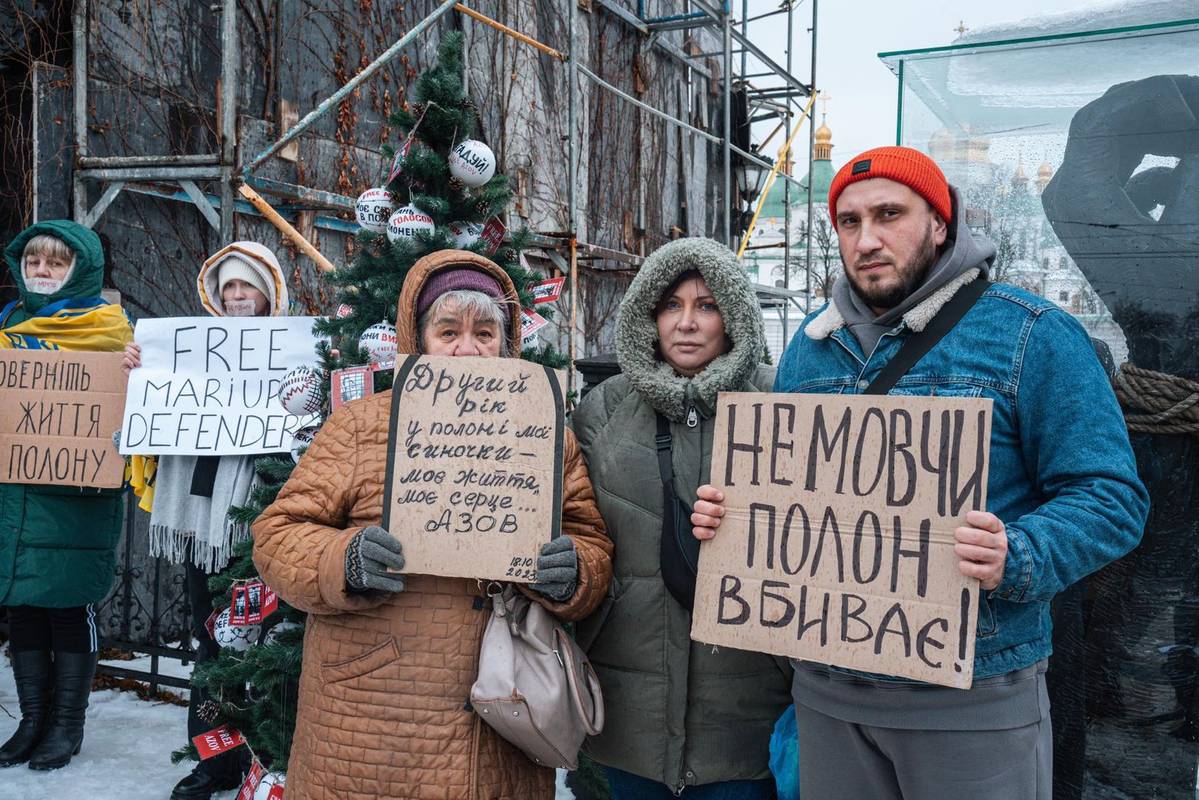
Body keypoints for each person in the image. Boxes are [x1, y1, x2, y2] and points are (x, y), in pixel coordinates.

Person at [691, 146, 1150, 800]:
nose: (866, 239)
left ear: (939, 223)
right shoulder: (808, 349)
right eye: (847, 223)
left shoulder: (1033, 335)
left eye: (888, 214)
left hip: (969, 695)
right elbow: (784, 496)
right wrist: (730, 519)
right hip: (828, 694)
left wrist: (1016, 553)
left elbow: (1111, 499)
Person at [251, 249, 613, 800]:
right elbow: (277, 534)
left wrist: (573, 573)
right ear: (417, 340)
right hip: (373, 709)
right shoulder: (362, 426)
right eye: (449, 332)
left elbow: (590, 541)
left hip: (497, 712)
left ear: (507, 344)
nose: (468, 349)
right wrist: (342, 559)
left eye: (485, 333)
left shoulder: (544, 434)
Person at [570, 237, 793, 798]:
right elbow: (573, 527)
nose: (687, 323)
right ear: (649, 315)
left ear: (734, 316)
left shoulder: (783, 403)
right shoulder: (602, 409)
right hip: (629, 718)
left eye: (707, 305)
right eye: (672, 305)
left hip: (748, 715)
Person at [122, 242, 289, 799]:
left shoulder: (294, 355)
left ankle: (265, 760)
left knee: (265, 648)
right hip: (200, 530)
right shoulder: (187, 353)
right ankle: (214, 761)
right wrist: (139, 375)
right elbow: (150, 419)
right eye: (229, 288)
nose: (238, 297)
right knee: (211, 646)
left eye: (248, 287)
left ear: (270, 293)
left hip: (260, 527)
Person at [0, 220, 133, 770]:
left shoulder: (113, 333)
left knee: (66, 607)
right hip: (16, 495)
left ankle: (66, 725)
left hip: (76, 495)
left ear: (81, 269)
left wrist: (137, 373)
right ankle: (32, 721)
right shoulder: (8, 327)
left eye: (55, 263)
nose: (42, 272)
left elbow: (146, 408)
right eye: (34, 263)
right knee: (23, 605)